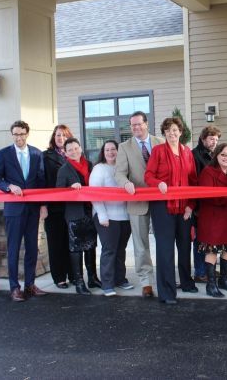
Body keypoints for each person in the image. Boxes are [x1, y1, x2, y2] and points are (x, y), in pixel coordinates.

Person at [0, 120, 48, 302]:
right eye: (15, 134)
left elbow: (41, 182)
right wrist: (8, 186)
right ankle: (15, 288)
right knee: (14, 249)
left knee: (32, 248)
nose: (19, 137)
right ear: (12, 135)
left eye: (22, 134)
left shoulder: (37, 154)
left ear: (27, 134)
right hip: (14, 211)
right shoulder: (4, 154)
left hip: (32, 210)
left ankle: (30, 285)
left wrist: (43, 205)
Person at [144, 117, 199, 304]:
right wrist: (158, 182)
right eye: (168, 130)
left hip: (184, 207)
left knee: (185, 247)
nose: (172, 133)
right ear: (164, 133)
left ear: (181, 132)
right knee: (165, 251)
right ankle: (167, 293)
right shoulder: (158, 151)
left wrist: (191, 206)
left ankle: (186, 282)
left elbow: (193, 181)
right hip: (163, 208)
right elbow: (148, 175)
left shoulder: (187, 153)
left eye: (175, 130)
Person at [114, 111, 164, 298]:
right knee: (141, 244)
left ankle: (164, 276)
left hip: (160, 200)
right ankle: (146, 281)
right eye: (132, 125)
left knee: (164, 241)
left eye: (138, 124)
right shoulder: (124, 147)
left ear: (146, 124)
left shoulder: (160, 142)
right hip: (137, 200)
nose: (135, 128)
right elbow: (119, 173)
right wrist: (125, 183)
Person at [197, 143, 227, 297]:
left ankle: (224, 280)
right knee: (212, 249)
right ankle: (211, 285)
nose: (226, 158)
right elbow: (208, 196)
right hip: (211, 216)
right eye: (223, 154)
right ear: (216, 155)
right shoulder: (208, 172)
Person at [90, 140, 132, 297]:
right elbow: (94, 194)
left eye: (113, 149)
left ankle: (120, 279)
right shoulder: (99, 169)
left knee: (121, 250)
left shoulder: (123, 168)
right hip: (106, 216)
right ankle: (107, 284)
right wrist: (101, 214)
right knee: (109, 250)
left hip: (124, 216)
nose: (110, 152)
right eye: (107, 150)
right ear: (103, 152)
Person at [56, 138, 97, 295]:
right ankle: (79, 282)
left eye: (76, 148)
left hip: (90, 211)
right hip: (75, 213)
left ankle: (93, 278)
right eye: (70, 150)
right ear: (65, 152)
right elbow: (58, 192)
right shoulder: (64, 169)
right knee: (77, 248)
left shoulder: (90, 165)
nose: (74, 151)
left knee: (91, 246)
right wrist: (69, 188)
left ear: (81, 148)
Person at [43, 124, 74, 289]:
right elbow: (41, 181)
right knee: (56, 244)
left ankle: (74, 274)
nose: (60, 138)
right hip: (53, 208)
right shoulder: (45, 156)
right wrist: (43, 205)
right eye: (57, 135)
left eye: (63, 135)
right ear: (53, 138)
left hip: (72, 207)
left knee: (71, 243)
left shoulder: (74, 155)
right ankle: (59, 277)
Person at [191, 125, 222, 283]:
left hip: (212, 205)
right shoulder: (195, 155)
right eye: (211, 139)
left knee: (210, 238)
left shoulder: (215, 155)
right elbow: (194, 181)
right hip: (200, 205)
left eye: (216, 140)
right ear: (203, 139)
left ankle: (209, 268)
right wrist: (195, 206)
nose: (214, 142)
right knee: (199, 239)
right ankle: (200, 271)